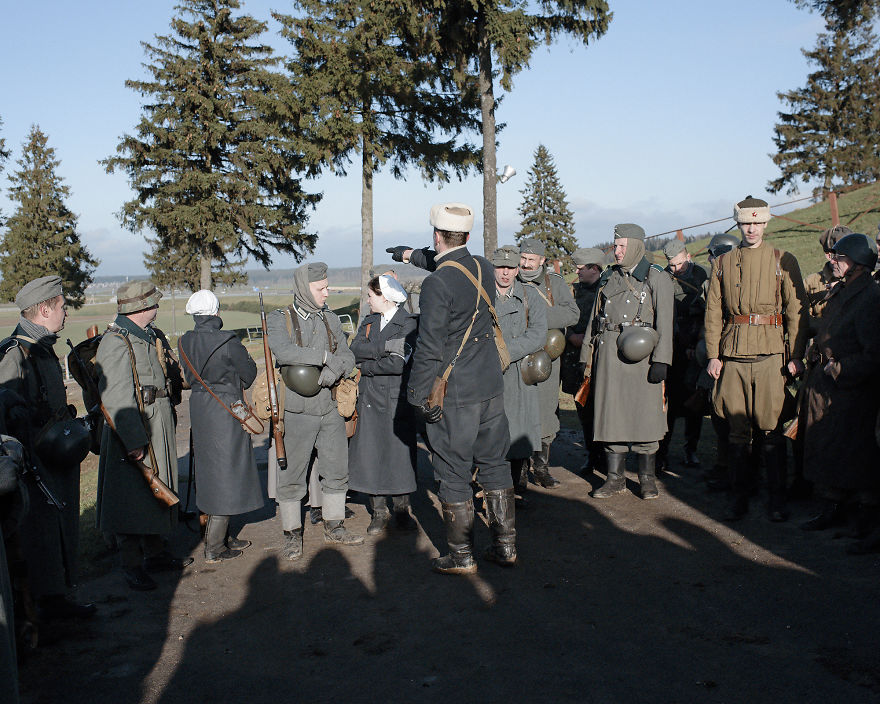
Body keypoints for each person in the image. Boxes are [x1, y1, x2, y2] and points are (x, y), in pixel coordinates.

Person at [404, 203, 514, 574]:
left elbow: (429, 346)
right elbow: (450, 262)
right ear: (468, 236)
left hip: (455, 393)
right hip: (490, 384)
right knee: (495, 464)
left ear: (437, 236)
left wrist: (418, 396)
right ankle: (505, 546)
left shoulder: (437, 284)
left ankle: (461, 555)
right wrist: (412, 255)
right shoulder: (482, 266)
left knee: (453, 471)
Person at [704, 196, 808, 522]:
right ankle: (740, 495)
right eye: (746, 223)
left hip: (771, 355)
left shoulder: (783, 259)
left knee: (771, 427)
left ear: (766, 223)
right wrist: (712, 355)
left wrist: (797, 356)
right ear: (738, 224)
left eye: (757, 222)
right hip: (733, 354)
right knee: (735, 429)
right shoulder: (722, 263)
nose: (751, 229)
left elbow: (796, 311)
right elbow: (713, 314)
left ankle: (776, 499)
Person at [0, 276, 95, 618]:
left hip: (54, 459)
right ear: (44, 309)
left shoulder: (41, 347)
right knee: (40, 537)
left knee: (58, 532)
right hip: (33, 466)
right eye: (62, 306)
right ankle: (45, 612)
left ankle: (59, 601)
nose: (66, 313)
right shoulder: (15, 354)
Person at [96, 280, 193, 591]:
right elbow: (116, 395)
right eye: (153, 302)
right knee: (133, 497)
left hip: (156, 419)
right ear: (139, 307)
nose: (157, 307)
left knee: (158, 488)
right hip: (136, 425)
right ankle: (131, 564)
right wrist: (133, 438)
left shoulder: (149, 336)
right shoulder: (116, 341)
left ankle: (156, 553)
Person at [267, 262, 362, 560]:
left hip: (330, 407)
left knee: (336, 470)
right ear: (304, 289)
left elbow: (348, 355)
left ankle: (335, 527)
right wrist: (323, 357)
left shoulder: (331, 319)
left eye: (327, 287)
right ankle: (292, 534)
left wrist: (336, 369)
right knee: (292, 476)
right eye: (320, 289)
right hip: (296, 411)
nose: (327, 292)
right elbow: (283, 352)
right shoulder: (279, 318)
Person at [799, 234, 880, 553]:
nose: (832, 260)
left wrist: (841, 369)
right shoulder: (842, 291)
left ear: (858, 264)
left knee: (857, 459)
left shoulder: (871, 298)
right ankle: (834, 509)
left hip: (852, 393)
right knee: (832, 453)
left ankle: (865, 521)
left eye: (840, 257)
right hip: (829, 387)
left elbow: (874, 354)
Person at [581, 224, 674, 500]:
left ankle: (646, 479)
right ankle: (614, 478)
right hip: (609, 355)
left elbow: (666, 324)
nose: (617, 251)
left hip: (644, 358)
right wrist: (586, 356)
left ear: (635, 245)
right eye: (615, 245)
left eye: (622, 246)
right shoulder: (608, 277)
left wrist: (662, 360)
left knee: (647, 416)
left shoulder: (657, 278)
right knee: (612, 415)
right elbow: (593, 321)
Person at [178, 290, 265, 563]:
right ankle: (214, 547)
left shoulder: (183, 342)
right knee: (226, 474)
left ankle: (224, 536)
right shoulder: (228, 341)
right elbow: (249, 375)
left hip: (201, 410)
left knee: (212, 471)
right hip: (228, 410)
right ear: (216, 313)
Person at [347, 275, 419, 535]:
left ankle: (402, 511)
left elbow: (397, 363)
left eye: (371, 295)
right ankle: (378, 512)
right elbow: (354, 350)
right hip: (368, 400)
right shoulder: (368, 322)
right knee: (370, 456)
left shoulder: (409, 323)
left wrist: (366, 366)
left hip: (395, 401)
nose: (367, 300)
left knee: (398, 457)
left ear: (385, 297)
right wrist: (384, 349)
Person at [517, 238, 580, 489]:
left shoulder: (554, 283)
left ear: (542, 261)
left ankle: (541, 467)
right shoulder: (510, 280)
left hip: (545, 359)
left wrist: (536, 316)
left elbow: (572, 313)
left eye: (531, 260)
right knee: (518, 414)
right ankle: (519, 471)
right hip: (517, 358)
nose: (525, 264)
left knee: (544, 413)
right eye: (523, 259)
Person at [490, 245, 547, 507]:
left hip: (517, 373)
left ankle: (514, 487)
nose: (505, 273)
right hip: (486, 372)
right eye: (501, 267)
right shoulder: (482, 297)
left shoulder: (530, 296)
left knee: (517, 430)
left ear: (517, 269)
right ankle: (489, 486)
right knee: (488, 431)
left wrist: (504, 352)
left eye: (510, 267)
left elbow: (537, 334)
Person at [657, 239, 708, 471]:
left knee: (694, 403)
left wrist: (697, 343)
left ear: (688, 257)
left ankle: (691, 449)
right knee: (669, 404)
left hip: (697, 345)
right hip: (673, 345)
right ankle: (662, 452)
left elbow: (708, 313)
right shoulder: (664, 278)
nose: (675, 269)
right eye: (671, 265)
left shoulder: (702, 276)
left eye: (679, 264)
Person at [562, 247, 607, 475]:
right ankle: (591, 454)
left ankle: (606, 456)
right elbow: (563, 319)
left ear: (595, 268)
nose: (577, 272)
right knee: (583, 411)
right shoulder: (572, 292)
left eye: (581, 268)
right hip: (575, 363)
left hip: (599, 362)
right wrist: (571, 336)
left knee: (603, 410)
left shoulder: (608, 291)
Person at [803, 225, 852, 323]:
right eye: (840, 255)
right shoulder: (810, 283)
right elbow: (802, 323)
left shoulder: (867, 278)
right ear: (829, 256)